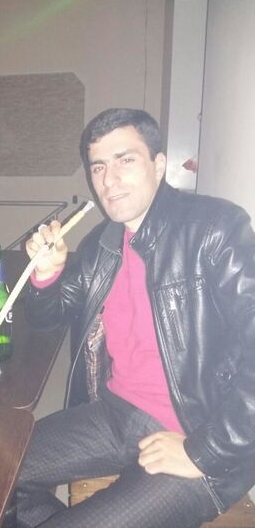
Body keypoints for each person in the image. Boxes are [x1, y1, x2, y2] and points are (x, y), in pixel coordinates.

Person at [15, 108, 255, 527]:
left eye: (125, 160)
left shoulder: (215, 228)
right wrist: (47, 273)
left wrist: (204, 451)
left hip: (197, 434)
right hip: (116, 413)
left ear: (158, 165)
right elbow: (46, 318)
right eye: (98, 167)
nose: (109, 180)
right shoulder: (104, 242)